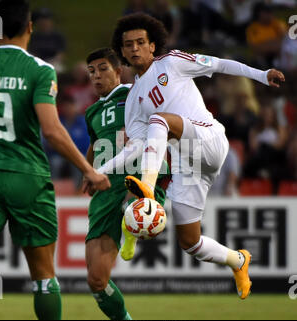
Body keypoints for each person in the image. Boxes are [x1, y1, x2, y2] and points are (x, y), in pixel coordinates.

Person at [109, 13, 285, 300]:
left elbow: (219, 64)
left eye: (141, 42)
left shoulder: (172, 62)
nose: (135, 48)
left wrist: (261, 75)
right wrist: (98, 170)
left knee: (160, 120)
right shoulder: (132, 101)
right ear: (122, 51)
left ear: (153, 45)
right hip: (187, 163)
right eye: (128, 44)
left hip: (209, 138)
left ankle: (148, 192)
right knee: (189, 241)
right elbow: (136, 147)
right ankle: (238, 261)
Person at [0, 0, 110, 320]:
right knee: (43, 276)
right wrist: (88, 170)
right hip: (26, 176)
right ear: (30, 28)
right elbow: (52, 130)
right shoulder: (39, 70)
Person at [85, 48, 167, 320]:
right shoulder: (91, 112)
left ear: (119, 70)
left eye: (103, 68)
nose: (97, 75)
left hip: (140, 179)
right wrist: (87, 172)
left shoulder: (136, 93)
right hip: (105, 191)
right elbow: (95, 144)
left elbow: (162, 123)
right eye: (92, 71)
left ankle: (132, 218)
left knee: (141, 215)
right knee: (97, 280)